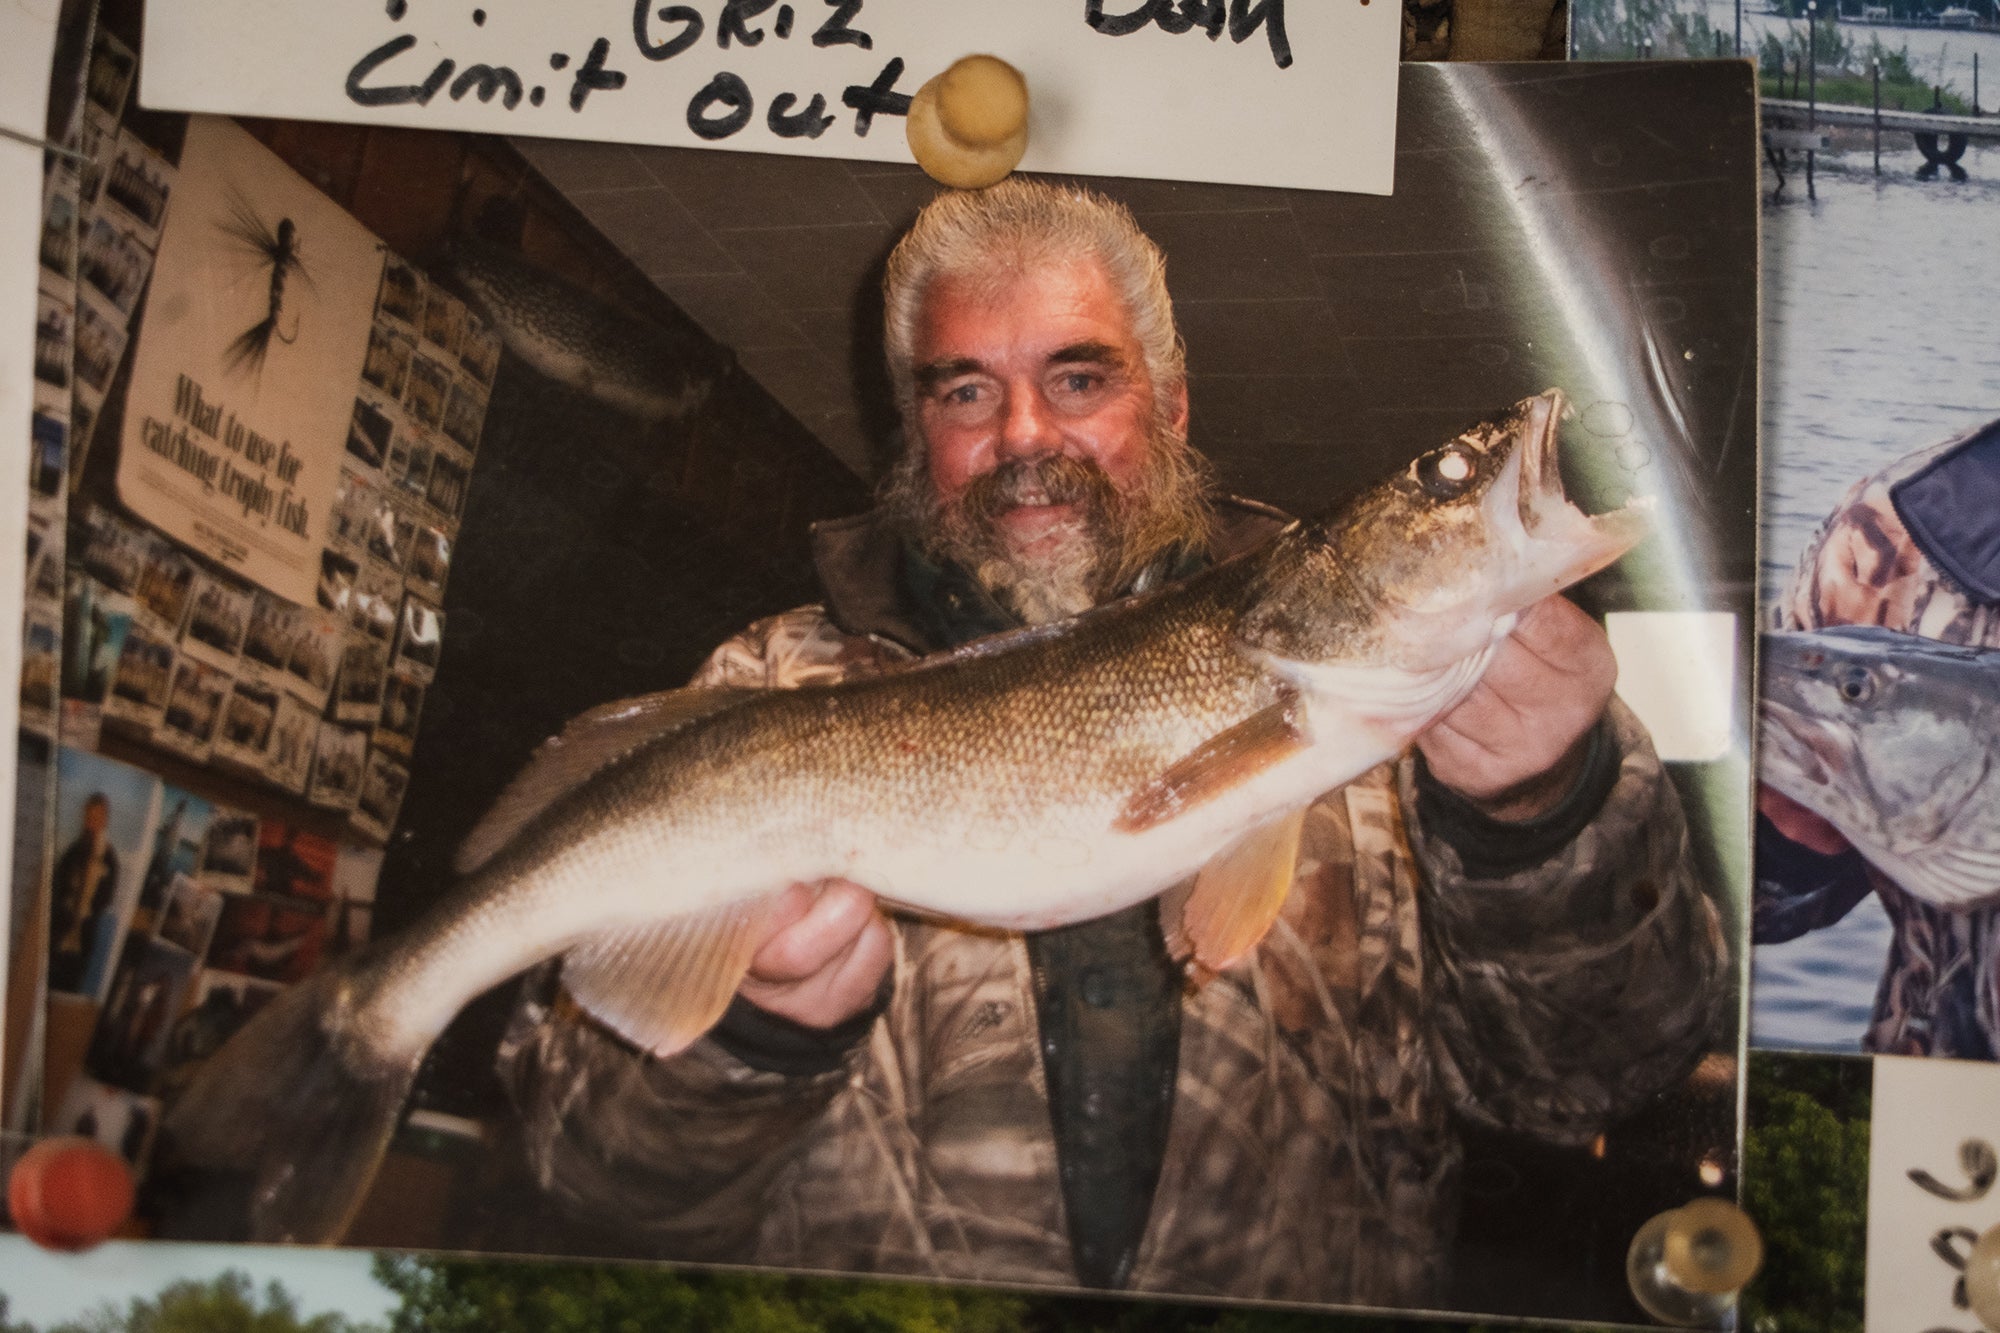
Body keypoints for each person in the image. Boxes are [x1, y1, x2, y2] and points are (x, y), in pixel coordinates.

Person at [496, 180, 1728, 1306]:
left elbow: (1593, 1081)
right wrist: (755, 1033)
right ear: (915, 429)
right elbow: (586, 1176)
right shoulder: (763, 688)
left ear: (1172, 402)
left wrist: (1541, 817)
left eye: (1078, 380)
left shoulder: (1432, 710)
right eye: (966, 392)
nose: (1024, 435)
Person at [1757, 417, 2000, 1058]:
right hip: (1932, 1103)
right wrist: (1780, 844)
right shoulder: (1907, 526)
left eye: (1857, 689)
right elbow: (1709, 912)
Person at [50, 792, 119, 994]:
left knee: (70, 987)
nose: (91, 823)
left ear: (105, 820)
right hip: (59, 931)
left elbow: (106, 899)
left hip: (84, 936)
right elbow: (57, 885)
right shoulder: (73, 851)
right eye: (89, 817)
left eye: (97, 818)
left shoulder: (109, 858)